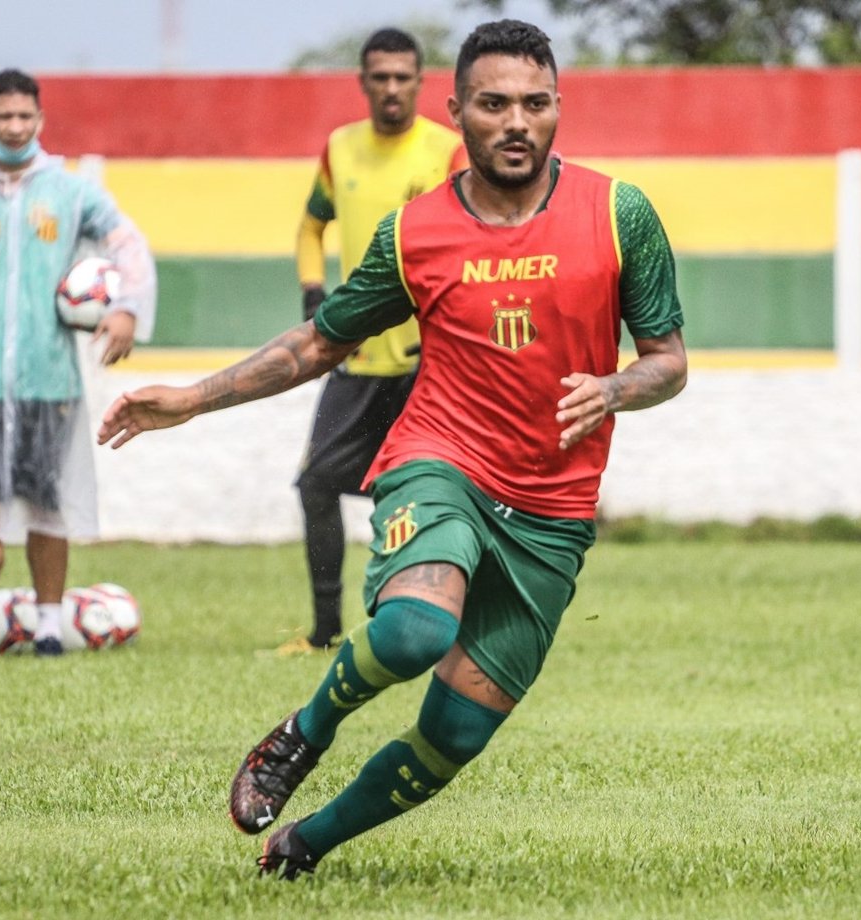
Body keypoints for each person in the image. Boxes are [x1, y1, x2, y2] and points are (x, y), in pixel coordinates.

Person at [98, 19, 686, 878]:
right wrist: (190, 398)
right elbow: (317, 344)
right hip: (440, 459)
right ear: (457, 113)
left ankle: (305, 844)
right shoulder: (415, 233)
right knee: (413, 630)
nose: (516, 121)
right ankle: (306, 730)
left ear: (559, 106)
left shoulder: (619, 212)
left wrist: (616, 386)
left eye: (535, 103)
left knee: (453, 736)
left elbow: (668, 361)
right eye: (493, 104)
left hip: (554, 509)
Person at [0, 68, 156, 658]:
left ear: (40, 120)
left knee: (49, 505)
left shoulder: (72, 193)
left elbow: (129, 245)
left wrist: (127, 308)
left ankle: (49, 629)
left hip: (51, 378)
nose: (16, 127)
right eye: (5, 117)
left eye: (26, 117)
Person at [283, 27, 466, 657]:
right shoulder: (340, 149)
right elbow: (311, 228)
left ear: (421, 82)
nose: (391, 87)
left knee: (442, 490)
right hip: (357, 358)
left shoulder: (448, 151)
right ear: (363, 82)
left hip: (432, 364)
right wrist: (315, 296)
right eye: (379, 77)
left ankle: (445, 625)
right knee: (315, 486)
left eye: (402, 77)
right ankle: (325, 631)